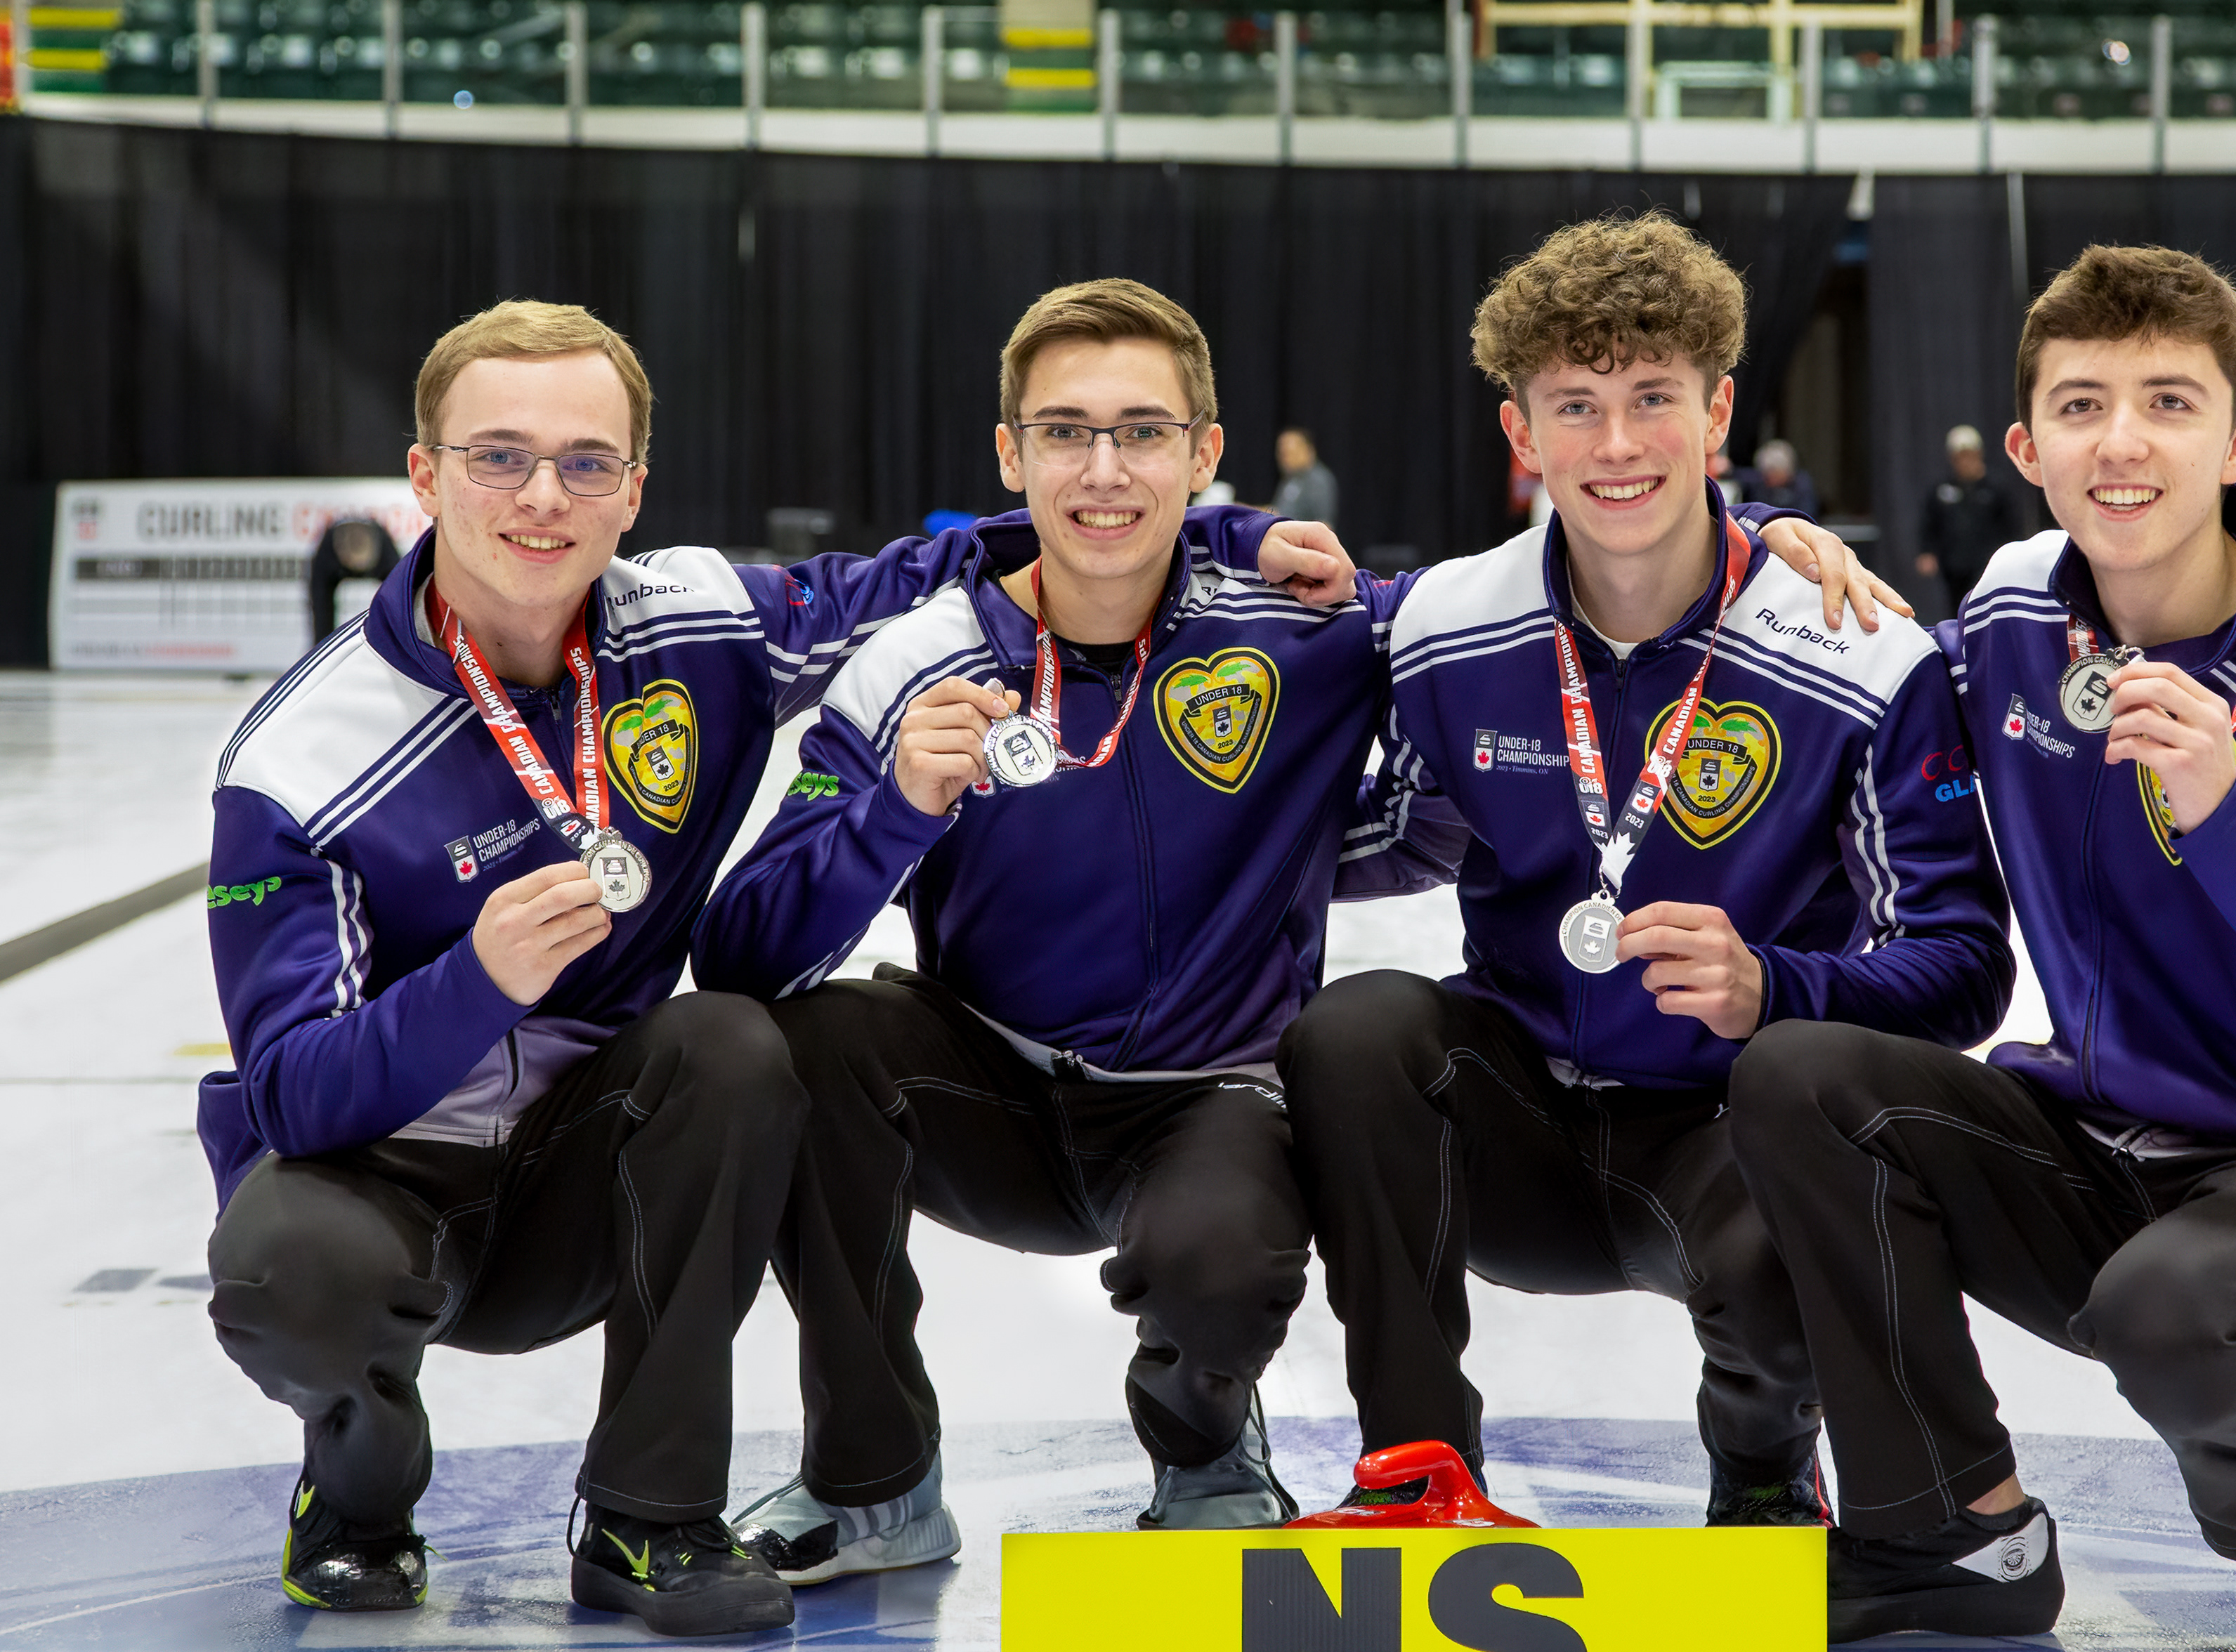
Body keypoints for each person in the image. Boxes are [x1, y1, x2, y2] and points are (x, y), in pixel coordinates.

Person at [688, 275, 1892, 1575]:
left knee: (1224, 1257)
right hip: (980, 1081)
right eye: (1066, 432)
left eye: (1145, 432)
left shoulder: (1314, 627)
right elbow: (744, 955)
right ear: (1010, 454)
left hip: (1203, 1096)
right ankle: (873, 1482)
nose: (1105, 469)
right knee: (806, 1047)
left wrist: (1754, 530)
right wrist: (895, 817)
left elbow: (1573, 578)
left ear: (1203, 451)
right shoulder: (915, 660)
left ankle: (1208, 1447)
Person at [200, 299, 1358, 1636]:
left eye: (586, 461)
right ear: (426, 474)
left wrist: (1218, 533)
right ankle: (359, 1488)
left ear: (635, 487)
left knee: (736, 1047)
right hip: (383, 1173)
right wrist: (480, 979)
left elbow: (976, 560)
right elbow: (290, 1097)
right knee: (288, 1270)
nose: (544, 497)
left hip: (594, 1163)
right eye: (499, 457)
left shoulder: (694, 623)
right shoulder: (305, 757)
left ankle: (646, 1520)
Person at [1730, 246, 2236, 1652]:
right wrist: (1767, 543)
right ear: (2028, 449)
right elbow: (1872, 683)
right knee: (1800, 1079)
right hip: (2102, 1143)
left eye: (2168, 402)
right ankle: (1944, 1527)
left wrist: (2234, 817)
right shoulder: (2016, 607)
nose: (2124, 442)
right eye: (2082, 406)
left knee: (2176, 1307)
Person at [1276, 214, 2014, 1528]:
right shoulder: (1447, 623)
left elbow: (1962, 969)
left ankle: (1764, 1460)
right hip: (1511, 1127)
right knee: (1355, 1031)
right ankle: (1418, 1465)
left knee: (1823, 1182)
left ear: (1717, 412)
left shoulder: (1860, 655)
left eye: (1653, 399)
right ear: (1523, 435)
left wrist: (1775, 989)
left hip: (1728, 1143)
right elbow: (1386, 830)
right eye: (1576, 406)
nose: (1616, 445)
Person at [1916, 423, 2029, 619]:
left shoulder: (1995, 489)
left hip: (1987, 564)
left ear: (1979, 454)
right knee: (1957, 608)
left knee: (1985, 606)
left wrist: (2012, 555)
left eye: (1969, 455)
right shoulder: (1942, 490)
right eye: (1960, 457)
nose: (1965, 462)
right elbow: (1930, 523)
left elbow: (2012, 526)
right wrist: (1927, 552)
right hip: (1953, 564)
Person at [307, 516, 399, 643]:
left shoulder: (386, 552)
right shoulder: (328, 553)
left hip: (379, 555)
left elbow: (401, 598)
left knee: (397, 603)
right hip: (333, 559)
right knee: (322, 617)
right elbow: (320, 602)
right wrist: (322, 642)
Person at [1271, 426, 1339, 525]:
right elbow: (1277, 512)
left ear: (1308, 450)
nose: (1284, 459)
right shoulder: (1290, 479)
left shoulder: (1318, 482)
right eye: (1281, 454)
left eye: (1289, 453)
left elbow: (1324, 525)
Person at [1738, 437, 1818, 518]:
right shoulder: (1758, 481)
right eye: (1767, 475)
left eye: (1774, 474)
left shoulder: (1802, 486)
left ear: (1786, 471)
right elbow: (1740, 475)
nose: (1770, 480)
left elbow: (1807, 515)